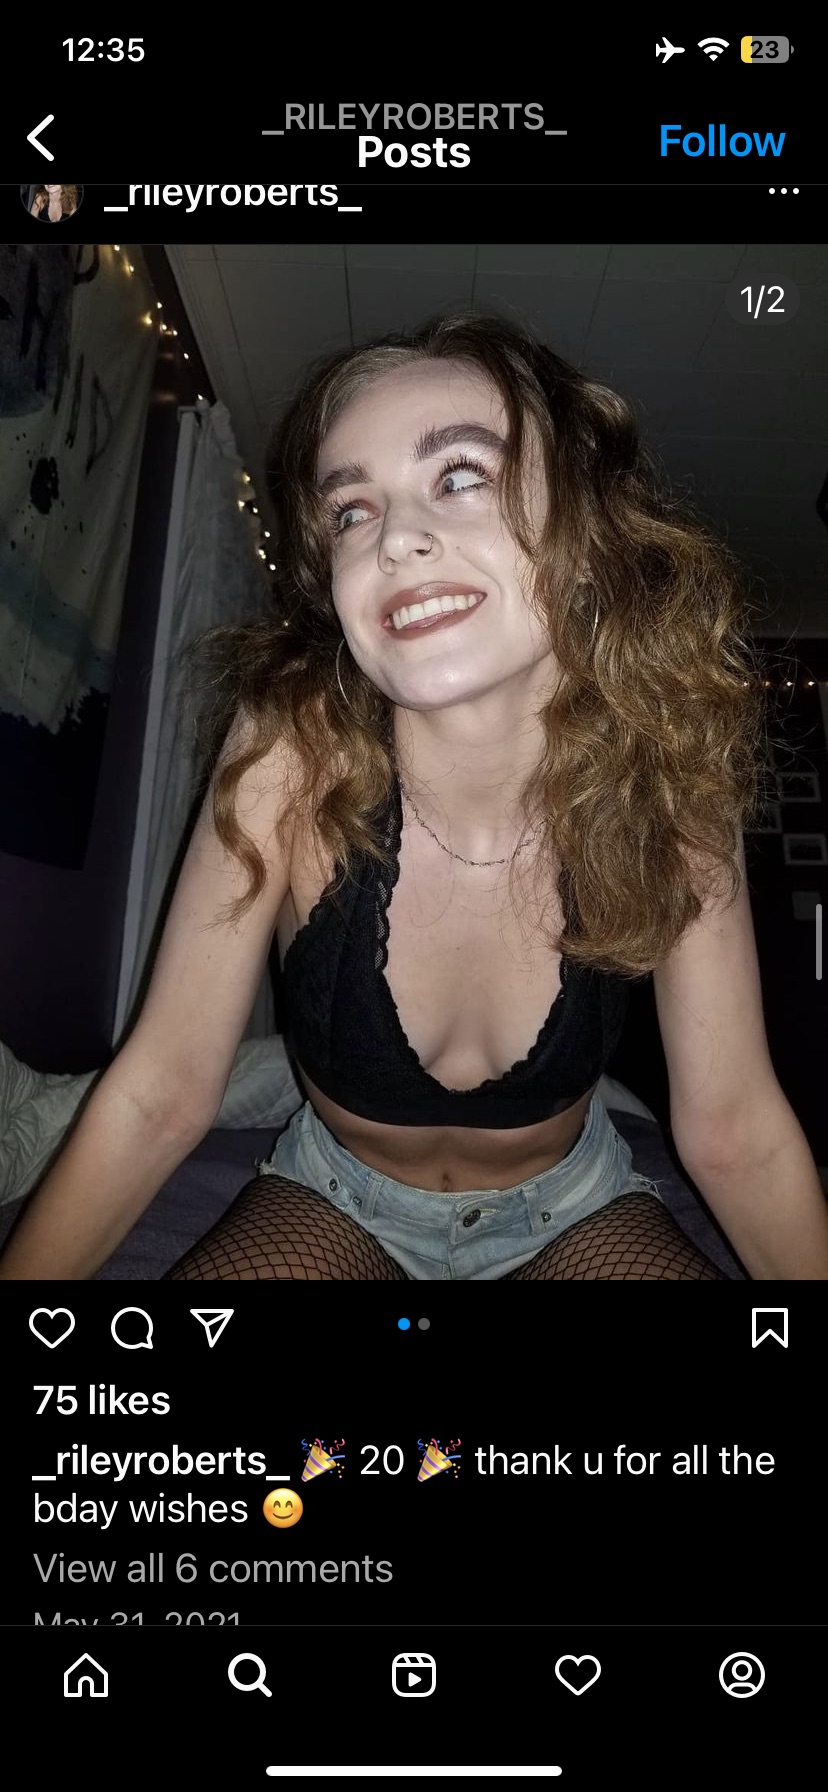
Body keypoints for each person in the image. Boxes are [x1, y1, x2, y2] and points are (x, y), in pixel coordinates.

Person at [2, 314, 827, 1282]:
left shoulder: (669, 791)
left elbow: (736, 1131)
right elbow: (161, 1094)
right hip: (336, 1188)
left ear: (586, 523)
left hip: (574, 1199)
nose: (395, 538)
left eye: (461, 475)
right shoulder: (290, 750)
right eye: (352, 511)